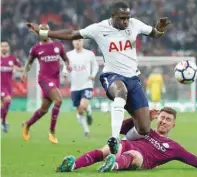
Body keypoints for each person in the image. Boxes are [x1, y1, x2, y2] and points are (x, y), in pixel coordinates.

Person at [26, 1, 171, 153]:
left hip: (133, 78)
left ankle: (122, 143)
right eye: (122, 18)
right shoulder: (99, 28)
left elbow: (155, 33)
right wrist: (43, 33)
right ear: (113, 16)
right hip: (112, 76)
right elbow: (72, 34)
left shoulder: (134, 24)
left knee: (144, 129)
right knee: (121, 91)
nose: (126, 21)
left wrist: (160, 27)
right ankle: (114, 138)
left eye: (127, 17)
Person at [55, 107, 197, 172]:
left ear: (173, 125)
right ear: (158, 119)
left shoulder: (174, 147)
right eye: (162, 118)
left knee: (134, 154)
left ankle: (112, 165)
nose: (164, 121)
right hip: (127, 145)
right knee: (108, 148)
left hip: (143, 160)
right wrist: (144, 119)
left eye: (168, 120)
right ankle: (73, 165)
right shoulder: (145, 129)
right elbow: (120, 129)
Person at [22, 24, 72, 144]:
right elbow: (29, 62)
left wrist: (67, 65)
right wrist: (25, 72)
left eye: (46, 30)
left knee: (44, 110)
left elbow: (65, 58)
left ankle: (27, 125)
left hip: (55, 79)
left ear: (49, 32)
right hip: (44, 79)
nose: (44, 32)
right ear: (39, 33)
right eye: (42, 30)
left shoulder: (58, 46)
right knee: (58, 100)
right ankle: (52, 131)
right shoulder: (36, 48)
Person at [63, 39, 99, 137]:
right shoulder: (69, 55)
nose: (77, 42)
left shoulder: (89, 54)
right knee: (79, 111)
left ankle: (89, 112)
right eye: (75, 41)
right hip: (74, 86)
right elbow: (65, 66)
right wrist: (65, 73)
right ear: (72, 42)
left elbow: (95, 66)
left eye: (79, 40)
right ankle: (86, 130)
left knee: (83, 104)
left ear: (82, 42)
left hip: (86, 84)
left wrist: (93, 74)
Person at [0, 40, 23, 132]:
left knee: (5, 105)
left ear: (8, 48)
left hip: (8, 86)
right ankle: (3, 122)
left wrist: (15, 68)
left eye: (6, 46)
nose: (4, 48)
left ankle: (4, 122)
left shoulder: (12, 59)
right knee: (7, 100)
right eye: (2, 46)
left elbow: (21, 68)